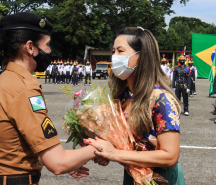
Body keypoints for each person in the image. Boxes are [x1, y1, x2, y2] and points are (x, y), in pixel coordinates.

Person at [0, 12, 107, 185]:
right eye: (47, 45)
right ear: (30, 47)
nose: (49, 51)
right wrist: (102, 147)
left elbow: (14, 146)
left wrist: (67, 160)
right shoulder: (24, 88)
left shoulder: (5, 80)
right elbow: (58, 163)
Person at [84, 27, 186, 185]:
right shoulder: (122, 97)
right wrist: (106, 151)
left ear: (141, 56)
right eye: (113, 51)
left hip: (162, 179)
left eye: (120, 51)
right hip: (133, 176)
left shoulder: (161, 100)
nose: (114, 57)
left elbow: (170, 156)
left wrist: (116, 154)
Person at [172, 50, 191, 116]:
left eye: (183, 60)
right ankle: (177, 110)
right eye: (181, 60)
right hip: (178, 85)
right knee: (177, 99)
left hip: (184, 86)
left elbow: (189, 78)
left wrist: (188, 87)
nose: (182, 61)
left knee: (185, 99)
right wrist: (173, 86)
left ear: (185, 60)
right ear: (179, 61)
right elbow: (174, 78)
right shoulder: (176, 68)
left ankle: (186, 110)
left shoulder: (187, 68)